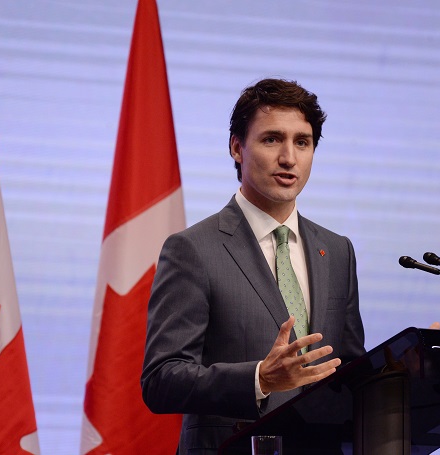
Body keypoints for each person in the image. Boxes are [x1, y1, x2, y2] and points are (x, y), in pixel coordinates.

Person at [141, 78, 366, 454]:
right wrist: (259, 378)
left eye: (302, 142)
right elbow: (161, 380)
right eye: (272, 139)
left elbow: (347, 369)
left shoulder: (337, 251)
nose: (289, 158)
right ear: (236, 148)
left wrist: (400, 371)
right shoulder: (193, 249)